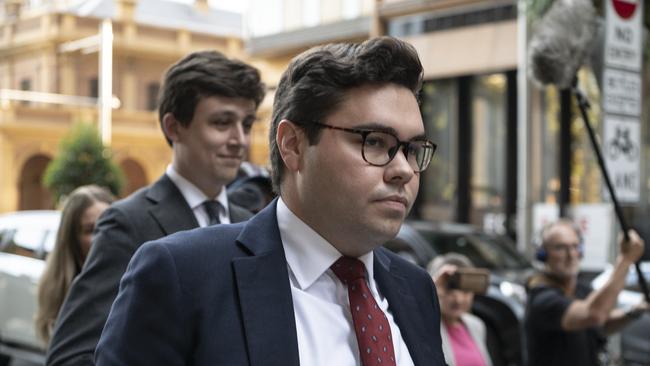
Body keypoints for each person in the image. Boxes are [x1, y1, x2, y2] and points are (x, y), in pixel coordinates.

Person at [95, 36, 447, 365]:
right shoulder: (181, 276)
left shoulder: (416, 290)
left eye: (413, 149)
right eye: (374, 142)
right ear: (293, 145)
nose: (403, 169)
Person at [45, 50, 266, 366]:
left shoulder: (251, 226)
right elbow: (70, 356)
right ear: (174, 127)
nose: (240, 140)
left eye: (246, 124)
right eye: (221, 122)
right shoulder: (128, 223)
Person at [525, 218, 649, 366]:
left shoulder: (582, 290)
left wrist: (634, 311)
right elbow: (593, 315)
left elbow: (602, 324)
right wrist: (625, 260)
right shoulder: (542, 298)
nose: (571, 255)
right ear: (542, 255)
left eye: (575, 246)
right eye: (560, 248)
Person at [35, 185, 115, 344]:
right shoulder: (60, 288)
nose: (102, 236)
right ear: (71, 238)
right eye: (90, 230)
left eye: (108, 225)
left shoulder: (131, 278)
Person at [428, 254, 492, 366]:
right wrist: (430, 287)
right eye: (449, 289)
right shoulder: (425, 326)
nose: (458, 298)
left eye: (465, 290)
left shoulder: (476, 325)